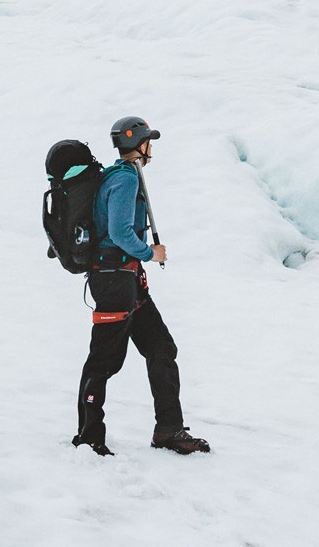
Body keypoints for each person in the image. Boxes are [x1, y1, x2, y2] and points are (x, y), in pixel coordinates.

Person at [72, 115, 210, 457]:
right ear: (139, 144)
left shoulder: (123, 175)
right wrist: (150, 252)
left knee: (161, 348)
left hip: (127, 279)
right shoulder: (125, 180)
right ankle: (88, 436)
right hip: (114, 279)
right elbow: (119, 232)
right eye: (150, 141)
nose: (152, 147)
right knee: (103, 361)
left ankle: (168, 430)